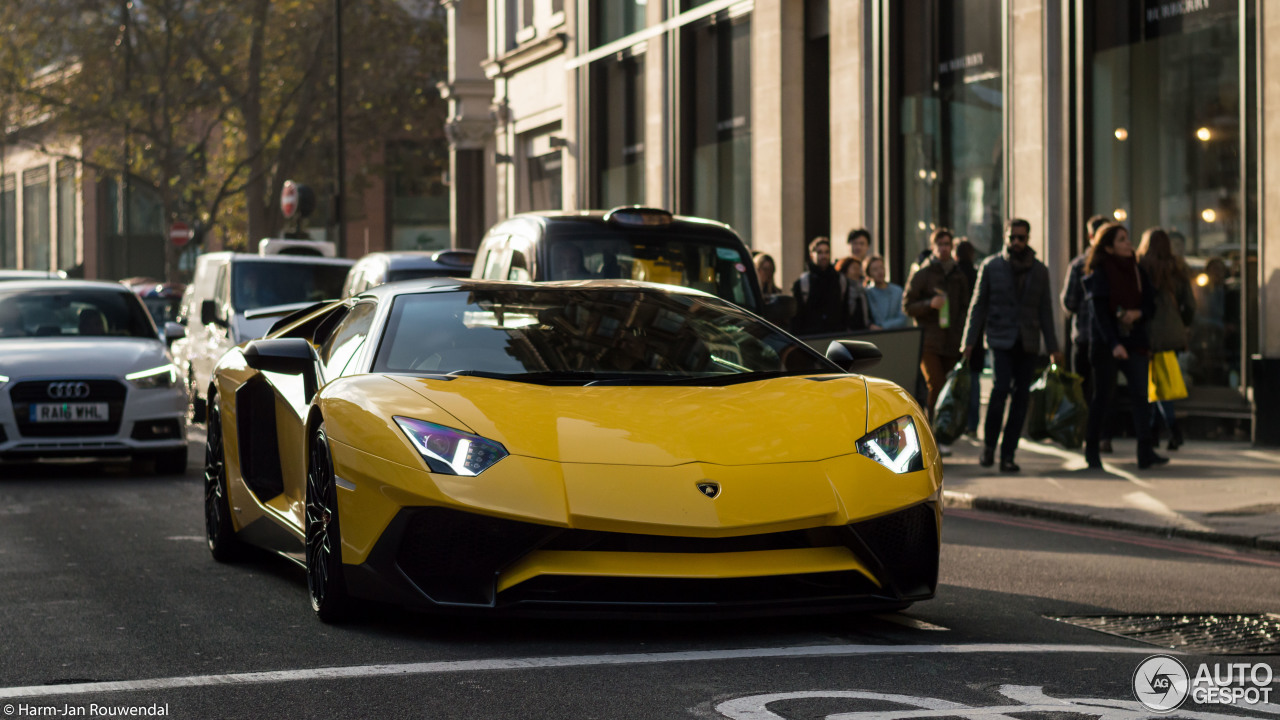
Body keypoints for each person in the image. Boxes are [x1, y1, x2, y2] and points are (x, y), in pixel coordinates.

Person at [961, 218, 1063, 472]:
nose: (1017, 242)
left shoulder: (1040, 270)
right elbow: (978, 306)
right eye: (1012, 237)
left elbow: (1046, 311)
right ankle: (989, 448)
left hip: (1028, 341)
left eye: (1021, 238)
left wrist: (1053, 347)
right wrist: (969, 342)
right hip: (999, 339)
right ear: (1005, 238)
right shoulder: (991, 265)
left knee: (1021, 398)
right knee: (1000, 389)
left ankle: (1008, 454)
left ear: (1028, 239)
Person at [1082, 222, 1166, 470]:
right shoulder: (1099, 272)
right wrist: (1114, 343)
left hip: (1135, 341)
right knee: (1103, 397)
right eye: (1121, 240)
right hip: (1107, 343)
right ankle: (1092, 450)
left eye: (1128, 238)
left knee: (1141, 395)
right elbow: (1099, 314)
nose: (1128, 243)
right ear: (1108, 247)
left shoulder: (1137, 271)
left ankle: (1145, 451)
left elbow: (1151, 304)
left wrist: (1136, 313)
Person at [904, 228, 970, 445]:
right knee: (936, 385)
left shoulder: (958, 275)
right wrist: (928, 304)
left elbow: (965, 307)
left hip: (952, 340)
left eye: (947, 244)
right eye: (939, 244)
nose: (943, 248)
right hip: (929, 341)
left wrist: (963, 335)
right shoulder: (923, 273)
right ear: (933, 247)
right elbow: (907, 305)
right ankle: (932, 434)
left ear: (952, 247)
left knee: (950, 388)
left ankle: (945, 431)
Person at [1137, 227, 1195, 451]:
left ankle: (1172, 429)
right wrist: (1183, 325)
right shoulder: (1177, 267)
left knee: (1159, 384)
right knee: (1161, 383)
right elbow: (1190, 304)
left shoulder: (1141, 266)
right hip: (1172, 333)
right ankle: (1156, 432)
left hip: (1150, 333)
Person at [1062, 214, 1112, 451]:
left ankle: (1086, 435)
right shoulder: (1111, 265)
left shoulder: (1080, 264)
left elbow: (1068, 303)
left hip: (1086, 337)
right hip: (1098, 338)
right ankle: (1101, 436)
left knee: (1085, 391)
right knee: (1101, 389)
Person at [954, 238, 984, 436]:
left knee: (958, 381)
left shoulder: (955, 275)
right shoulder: (975, 273)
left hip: (955, 334)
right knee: (973, 379)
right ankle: (972, 425)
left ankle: (957, 422)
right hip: (976, 335)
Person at [791, 237, 848, 334]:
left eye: (826, 252)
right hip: (811, 338)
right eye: (819, 252)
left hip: (835, 335)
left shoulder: (840, 280)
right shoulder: (802, 283)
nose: (824, 256)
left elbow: (845, 310)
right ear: (811, 255)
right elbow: (797, 316)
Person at [863, 255, 908, 330]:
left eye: (881, 268)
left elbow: (902, 317)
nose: (880, 272)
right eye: (875, 269)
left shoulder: (897, 291)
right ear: (869, 273)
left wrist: (883, 326)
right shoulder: (866, 293)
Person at [835, 257, 871, 331]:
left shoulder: (863, 291)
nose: (858, 272)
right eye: (854, 268)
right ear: (845, 270)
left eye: (859, 269)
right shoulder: (841, 290)